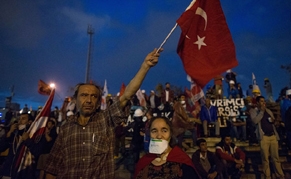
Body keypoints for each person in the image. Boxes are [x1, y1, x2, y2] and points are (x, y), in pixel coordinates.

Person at [44, 48, 162, 179]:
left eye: (94, 96)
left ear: (98, 101)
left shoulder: (106, 120)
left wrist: (145, 66)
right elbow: (52, 168)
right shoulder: (66, 128)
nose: (89, 100)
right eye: (84, 95)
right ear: (75, 99)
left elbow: (126, 96)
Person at [134, 117, 200, 179]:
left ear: (170, 134)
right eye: (154, 131)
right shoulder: (143, 162)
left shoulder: (182, 161)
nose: (159, 136)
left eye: (164, 131)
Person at [249, 96, 284, 179]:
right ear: (257, 103)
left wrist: (273, 121)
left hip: (273, 136)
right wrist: (261, 112)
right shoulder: (253, 111)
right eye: (261, 101)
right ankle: (267, 176)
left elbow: (273, 121)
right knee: (265, 159)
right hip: (264, 137)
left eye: (264, 101)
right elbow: (255, 121)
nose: (263, 103)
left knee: (276, 157)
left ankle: (280, 175)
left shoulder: (268, 110)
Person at [0, 113, 34, 179]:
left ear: (30, 122)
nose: (20, 121)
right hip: (9, 170)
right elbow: (1, 147)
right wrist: (9, 133)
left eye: (23, 119)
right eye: (19, 119)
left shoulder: (32, 134)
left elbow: (36, 150)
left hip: (23, 171)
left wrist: (28, 140)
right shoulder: (14, 134)